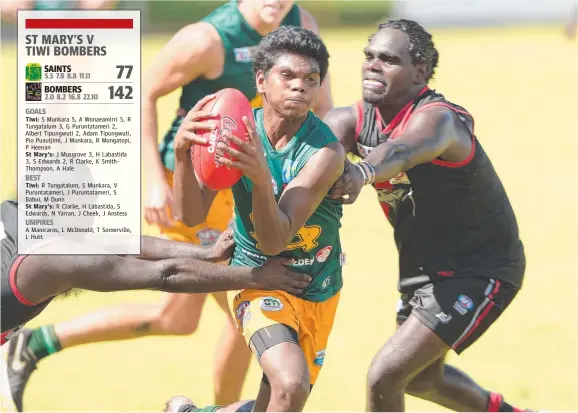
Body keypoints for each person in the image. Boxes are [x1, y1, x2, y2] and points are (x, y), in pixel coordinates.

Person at [7, 0, 334, 408]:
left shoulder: (301, 25)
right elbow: (143, 93)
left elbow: (325, 110)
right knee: (241, 306)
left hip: (245, 178)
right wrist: (154, 183)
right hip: (201, 178)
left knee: (178, 319)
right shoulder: (205, 39)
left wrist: (340, 169)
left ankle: (36, 342)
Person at [323, 19, 533, 413]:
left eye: (388, 60)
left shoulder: (440, 120)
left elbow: (401, 151)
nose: (372, 65)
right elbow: (311, 155)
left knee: (384, 376)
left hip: (480, 270)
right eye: (369, 56)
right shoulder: (352, 120)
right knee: (421, 379)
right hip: (423, 272)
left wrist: (363, 172)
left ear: (419, 72)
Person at [168, 26, 345, 412]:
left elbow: (280, 231)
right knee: (291, 383)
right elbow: (193, 215)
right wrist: (183, 155)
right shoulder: (235, 131)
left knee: (278, 401)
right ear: (261, 80)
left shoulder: (325, 152)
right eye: (288, 76)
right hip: (259, 279)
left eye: (310, 79)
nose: (300, 86)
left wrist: (261, 178)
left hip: (318, 287)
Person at [0, 199, 310, 412]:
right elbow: (167, 274)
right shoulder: (58, 260)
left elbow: (115, 241)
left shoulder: (22, 215)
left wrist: (203, 253)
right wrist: (256, 278)